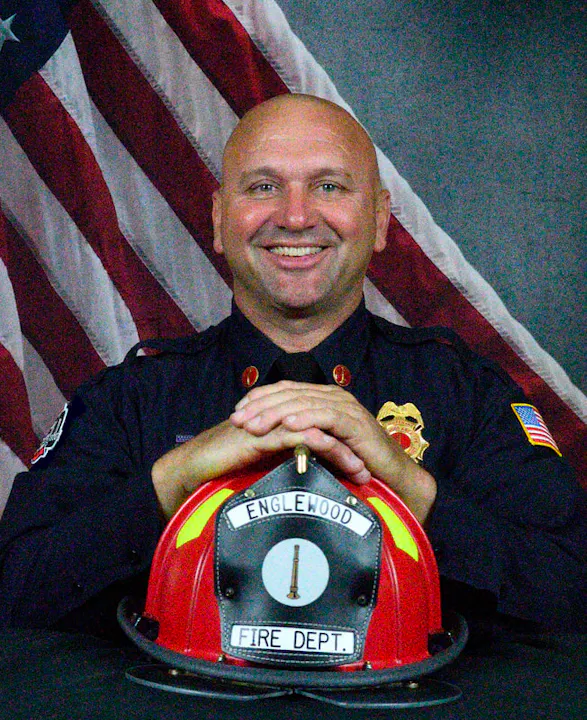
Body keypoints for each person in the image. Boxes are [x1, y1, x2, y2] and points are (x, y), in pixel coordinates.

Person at [0, 94, 584, 640]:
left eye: (329, 186)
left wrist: (408, 487)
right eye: (263, 187)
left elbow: (571, 595)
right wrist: (173, 481)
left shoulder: (466, 393)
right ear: (218, 220)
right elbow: (14, 592)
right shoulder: (131, 399)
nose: (297, 217)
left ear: (380, 220)